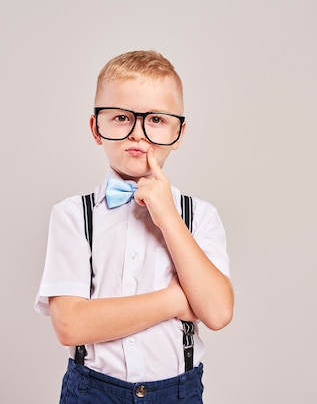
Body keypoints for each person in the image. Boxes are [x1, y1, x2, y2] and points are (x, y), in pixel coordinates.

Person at [34, 50, 234, 403]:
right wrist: (176, 299)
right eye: (122, 117)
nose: (138, 134)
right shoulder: (72, 215)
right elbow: (71, 325)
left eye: (156, 119)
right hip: (93, 392)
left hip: (176, 393)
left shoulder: (199, 216)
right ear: (97, 127)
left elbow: (217, 312)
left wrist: (169, 218)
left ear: (179, 132)